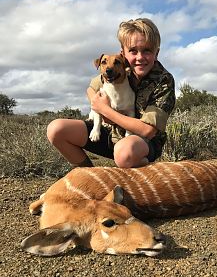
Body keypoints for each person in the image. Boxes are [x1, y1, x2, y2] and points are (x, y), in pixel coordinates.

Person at [47, 18, 176, 168]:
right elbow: (91, 88)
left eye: (147, 50)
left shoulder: (163, 80)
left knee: (125, 153)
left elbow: (147, 130)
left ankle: (145, 177)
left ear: (157, 52)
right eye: (133, 50)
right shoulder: (116, 70)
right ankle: (90, 175)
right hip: (108, 134)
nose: (140, 57)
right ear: (123, 53)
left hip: (141, 143)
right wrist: (97, 104)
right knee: (56, 129)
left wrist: (106, 111)